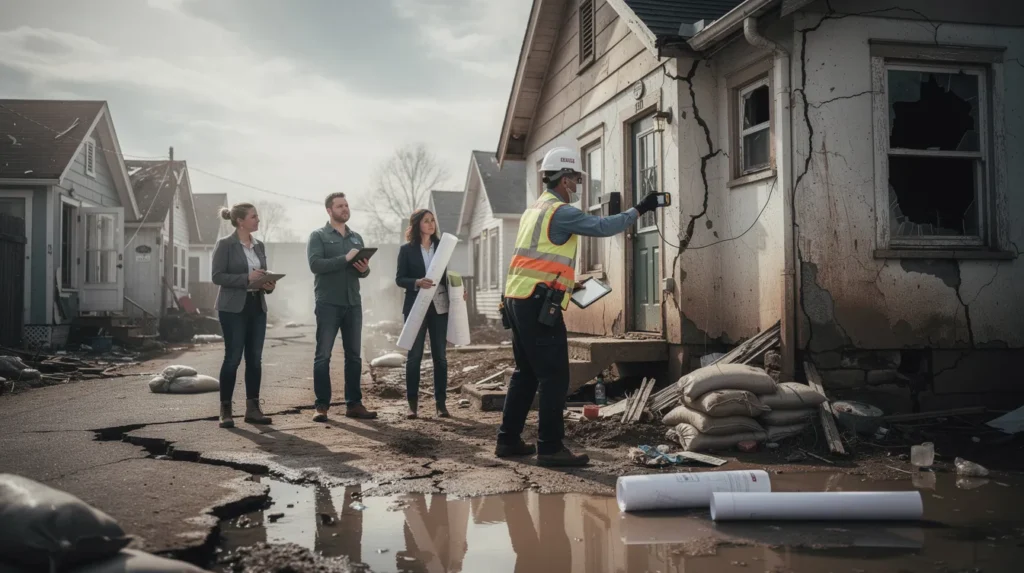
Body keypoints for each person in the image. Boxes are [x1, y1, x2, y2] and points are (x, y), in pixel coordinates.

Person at [495, 146, 664, 467]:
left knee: (526, 373)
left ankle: (508, 440)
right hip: (535, 302)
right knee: (555, 377)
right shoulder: (560, 211)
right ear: (564, 179)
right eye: (575, 178)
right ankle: (549, 448)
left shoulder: (535, 209)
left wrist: (569, 286)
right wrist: (641, 209)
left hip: (517, 299)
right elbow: (603, 227)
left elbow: (538, 260)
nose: (577, 185)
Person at [307, 192, 377, 421]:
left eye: (346, 205)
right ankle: (321, 406)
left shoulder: (356, 238)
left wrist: (363, 268)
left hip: (353, 303)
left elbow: (364, 273)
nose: (345, 209)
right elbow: (315, 265)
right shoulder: (318, 236)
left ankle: (354, 405)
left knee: (354, 356)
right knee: (323, 355)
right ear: (329, 210)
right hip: (328, 303)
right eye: (340, 206)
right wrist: (345, 259)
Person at [395, 209, 466, 419]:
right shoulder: (406, 250)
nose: (431, 224)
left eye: (433, 220)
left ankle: (441, 405)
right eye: (426, 221)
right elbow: (399, 279)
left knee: (440, 357)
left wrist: (459, 290)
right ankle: (412, 405)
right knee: (414, 356)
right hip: (415, 306)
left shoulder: (442, 249)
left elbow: (447, 277)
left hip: (439, 307)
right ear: (417, 225)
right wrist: (416, 282)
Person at [211, 202, 276, 428]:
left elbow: (263, 278)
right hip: (232, 309)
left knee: (255, 360)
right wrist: (246, 278)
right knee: (233, 358)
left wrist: (268, 284)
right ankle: (226, 410)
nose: (258, 220)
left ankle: (253, 409)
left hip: (257, 306)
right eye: (254, 216)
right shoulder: (225, 245)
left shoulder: (259, 246)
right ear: (240, 221)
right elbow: (217, 276)